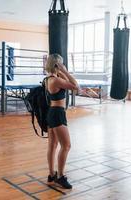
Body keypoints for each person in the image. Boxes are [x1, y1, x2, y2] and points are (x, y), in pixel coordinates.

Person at [44, 54, 78, 189]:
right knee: (66, 146)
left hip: (52, 113)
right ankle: (60, 176)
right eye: (61, 64)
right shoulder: (55, 80)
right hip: (57, 114)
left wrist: (61, 72)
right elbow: (75, 86)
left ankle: (52, 174)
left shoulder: (49, 79)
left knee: (52, 145)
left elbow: (69, 84)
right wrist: (64, 71)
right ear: (57, 65)